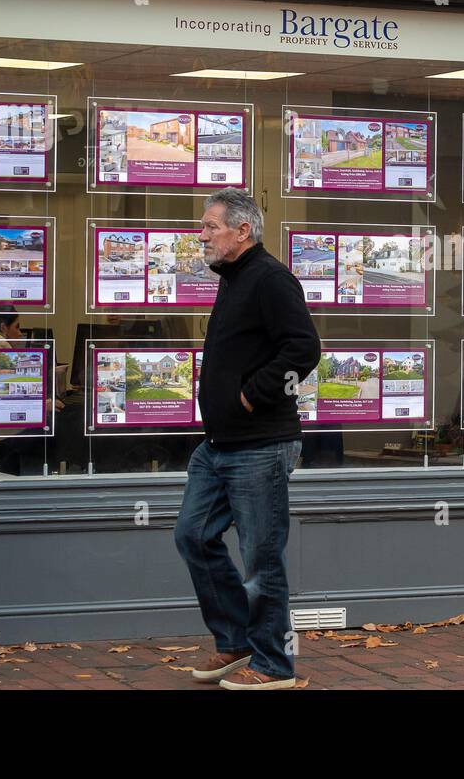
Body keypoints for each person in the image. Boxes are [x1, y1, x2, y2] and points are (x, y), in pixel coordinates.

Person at [175, 189, 320, 691]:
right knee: (193, 536)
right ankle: (235, 640)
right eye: (203, 226)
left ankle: (275, 665)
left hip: (260, 444)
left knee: (261, 559)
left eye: (211, 226)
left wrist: (253, 396)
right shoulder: (233, 279)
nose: (202, 235)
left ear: (242, 231)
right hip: (216, 446)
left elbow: (304, 348)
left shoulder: (270, 278)